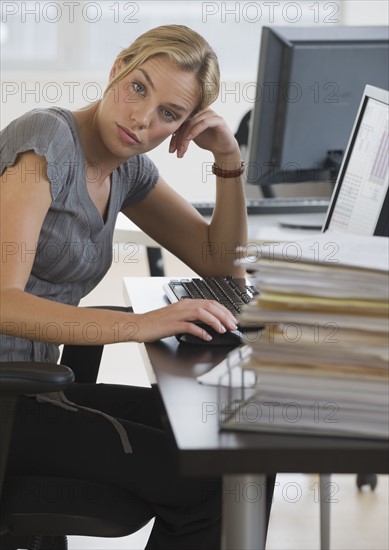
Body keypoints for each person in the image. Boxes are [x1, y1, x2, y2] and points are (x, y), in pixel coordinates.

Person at [0, 24, 274, 549]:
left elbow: (223, 265)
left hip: (35, 392)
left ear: (181, 128)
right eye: (139, 87)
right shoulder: (43, 140)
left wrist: (228, 159)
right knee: (213, 484)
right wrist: (138, 326)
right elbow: (5, 302)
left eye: (168, 114)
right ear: (118, 69)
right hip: (10, 399)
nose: (141, 118)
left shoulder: (124, 169)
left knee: (246, 452)